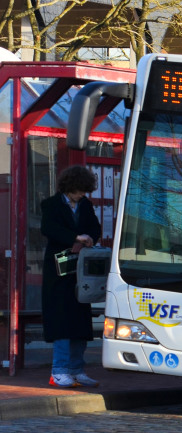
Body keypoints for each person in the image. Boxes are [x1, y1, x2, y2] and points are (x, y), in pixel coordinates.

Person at [40, 166, 102, 388]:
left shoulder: (85, 205)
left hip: (80, 270)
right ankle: (60, 370)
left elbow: (95, 227)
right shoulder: (51, 204)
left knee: (79, 321)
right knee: (61, 320)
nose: (82, 195)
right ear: (70, 187)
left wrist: (90, 239)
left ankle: (77, 369)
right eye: (79, 191)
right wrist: (75, 236)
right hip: (58, 270)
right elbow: (48, 228)